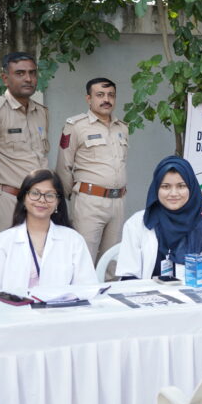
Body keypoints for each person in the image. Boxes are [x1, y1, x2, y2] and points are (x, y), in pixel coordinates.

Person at [0, 169, 97, 293]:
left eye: (49, 195)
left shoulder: (74, 240)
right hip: (13, 311)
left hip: (61, 311)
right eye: (35, 193)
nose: (42, 200)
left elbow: (87, 288)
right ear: (23, 198)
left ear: (58, 202)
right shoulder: (1, 243)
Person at [0, 52, 50, 239]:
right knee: (7, 261)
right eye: (20, 73)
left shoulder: (41, 113)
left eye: (32, 73)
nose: (28, 78)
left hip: (40, 202)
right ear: (6, 78)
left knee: (37, 261)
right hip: (7, 202)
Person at [55, 78, 129, 268]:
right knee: (83, 260)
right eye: (100, 95)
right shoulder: (76, 126)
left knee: (112, 262)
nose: (106, 99)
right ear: (89, 99)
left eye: (111, 95)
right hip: (89, 201)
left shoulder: (122, 127)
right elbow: (64, 167)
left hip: (117, 202)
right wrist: (74, 196)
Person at [114, 156, 202, 279]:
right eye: (166, 186)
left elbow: (201, 281)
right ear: (156, 189)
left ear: (191, 188)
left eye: (181, 186)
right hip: (143, 295)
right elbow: (128, 277)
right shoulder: (137, 224)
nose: (173, 193)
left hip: (187, 296)